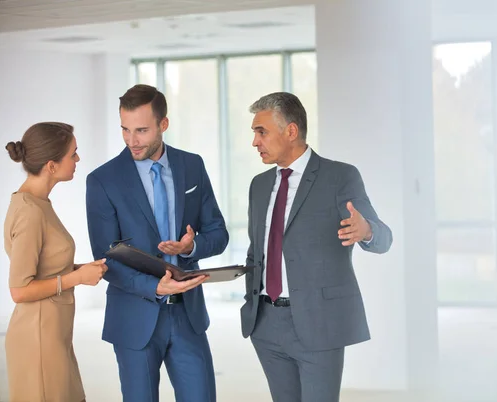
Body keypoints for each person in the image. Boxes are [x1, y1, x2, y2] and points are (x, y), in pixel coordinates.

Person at [241, 92, 393, 402]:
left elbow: (384, 238)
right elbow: (256, 251)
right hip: (266, 325)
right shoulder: (258, 185)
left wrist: (366, 231)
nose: (255, 142)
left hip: (319, 324)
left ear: (291, 131)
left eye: (262, 132)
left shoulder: (340, 177)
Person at [86, 84, 228, 402]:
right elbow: (105, 256)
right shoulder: (102, 180)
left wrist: (190, 247)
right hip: (135, 316)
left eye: (141, 130)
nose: (132, 140)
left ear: (163, 125)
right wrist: (154, 287)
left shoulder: (192, 166)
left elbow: (218, 233)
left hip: (188, 317)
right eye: (125, 129)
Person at [3, 122, 108, 402]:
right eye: (73, 154)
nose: (77, 160)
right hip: (38, 340)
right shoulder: (29, 212)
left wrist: (83, 270)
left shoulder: (38, 204)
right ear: (51, 165)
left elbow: (45, 267)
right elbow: (20, 290)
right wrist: (77, 278)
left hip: (53, 335)